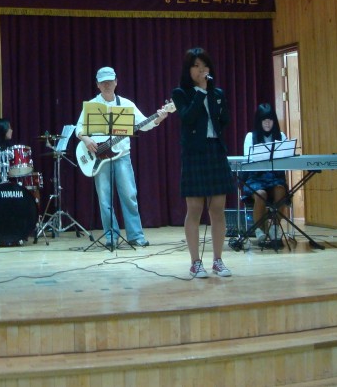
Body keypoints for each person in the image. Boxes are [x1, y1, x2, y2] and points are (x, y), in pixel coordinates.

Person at [76, 66, 169, 249]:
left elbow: (143, 124)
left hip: (122, 156)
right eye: (103, 82)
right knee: (104, 200)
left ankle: (136, 236)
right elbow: (79, 128)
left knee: (129, 196)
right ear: (97, 85)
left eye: (110, 81)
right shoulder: (91, 105)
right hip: (99, 158)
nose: (107, 85)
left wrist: (158, 118)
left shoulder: (126, 104)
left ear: (116, 82)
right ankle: (111, 236)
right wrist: (86, 139)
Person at [171, 48, 233, 278]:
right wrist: (201, 93)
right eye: (196, 65)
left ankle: (218, 260)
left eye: (204, 65)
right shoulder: (181, 93)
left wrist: (212, 96)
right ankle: (195, 262)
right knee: (195, 209)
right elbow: (187, 118)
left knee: (217, 208)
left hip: (215, 150)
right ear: (188, 69)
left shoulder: (217, 93)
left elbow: (224, 119)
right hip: (194, 153)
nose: (201, 70)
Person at [243, 103, 289, 243]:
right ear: (259, 121)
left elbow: (287, 158)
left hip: (275, 178)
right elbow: (247, 159)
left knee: (281, 190)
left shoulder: (281, 136)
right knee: (261, 194)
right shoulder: (251, 137)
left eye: (270, 119)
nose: (267, 122)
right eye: (264, 119)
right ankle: (259, 230)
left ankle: (275, 227)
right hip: (256, 178)